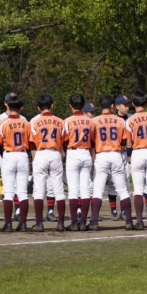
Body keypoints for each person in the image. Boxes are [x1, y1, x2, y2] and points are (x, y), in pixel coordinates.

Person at [89, 94, 133, 231]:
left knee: (98, 190)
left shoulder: (94, 121)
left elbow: (91, 142)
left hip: (101, 155)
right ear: (113, 106)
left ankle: (94, 222)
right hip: (116, 154)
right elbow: (125, 141)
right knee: (123, 190)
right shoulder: (120, 121)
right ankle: (129, 221)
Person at [0, 94, 32, 232]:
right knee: (23, 193)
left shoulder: (2, 123)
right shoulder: (26, 123)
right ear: (21, 108)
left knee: (8, 192)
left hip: (8, 155)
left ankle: (8, 223)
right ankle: (23, 223)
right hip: (22, 155)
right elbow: (31, 142)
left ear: (8, 107)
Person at [29, 94, 66, 232]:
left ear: (39, 108)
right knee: (59, 190)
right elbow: (64, 141)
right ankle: (61, 223)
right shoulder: (60, 121)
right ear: (52, 106)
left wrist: (35, 160)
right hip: (55, 152)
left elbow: (32, 144)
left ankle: (39, 223)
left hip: (40, 153)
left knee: (38, 191)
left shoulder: (34, 122)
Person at [125, 91, 147, 230]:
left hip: (137, 152)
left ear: (133, 104)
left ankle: (139, 221)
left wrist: (129, 156)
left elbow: (129, 142)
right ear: (146, 104)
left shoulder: (130, 120)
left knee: (138, 189)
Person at [64, 94, 94, 231]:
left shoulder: (67, 121)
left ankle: (74, 222)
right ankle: (83, 222)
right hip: (86, 152)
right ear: (83, 106)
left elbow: (64, 140)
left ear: (71, 106)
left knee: (73, 190)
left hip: (73, 152)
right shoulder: (90, 121)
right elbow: (92, 140)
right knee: (85, 189)